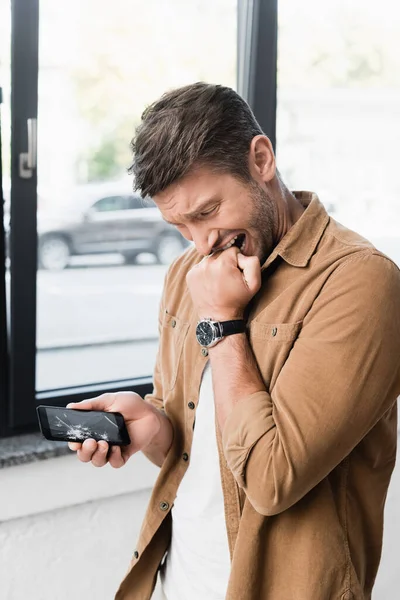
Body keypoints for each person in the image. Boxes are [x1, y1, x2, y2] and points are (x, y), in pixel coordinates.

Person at [68, 82, 400, 600]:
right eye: (179, 225)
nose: (201, 243)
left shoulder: (360, 283)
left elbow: (271, 478)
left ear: (261, 159)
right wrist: (155, 428)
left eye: (207, 212)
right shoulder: (189, 274)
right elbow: (201, 454)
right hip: (178, 583)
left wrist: (223, 322)